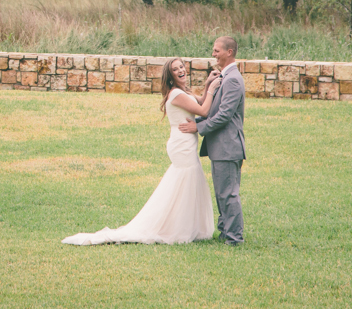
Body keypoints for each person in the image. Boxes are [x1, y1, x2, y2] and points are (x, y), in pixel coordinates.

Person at [62, 58, 220, 245]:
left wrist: (208, 83)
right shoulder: (176, 93)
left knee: (188, 183)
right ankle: (176, 228)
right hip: (182, 145)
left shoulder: (182, 92)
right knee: (184, 183)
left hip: (185, 143)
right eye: (176, 69)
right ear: (170, 76)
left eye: (182, 67)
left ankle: (188, 226)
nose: (181, 70)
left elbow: (199, 102)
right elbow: (203, 110)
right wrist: (212, 90)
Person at [179, 36, 245, 245]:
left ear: (229, 52)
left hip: (228, 146)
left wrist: (197, 127)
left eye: (217, 51)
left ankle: (234, 238)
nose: (213, 54)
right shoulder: (223, 77)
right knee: (222, 193)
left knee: (228, 194)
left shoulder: (233, 79)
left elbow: (224, 115)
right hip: (221, 147)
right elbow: (211, 109)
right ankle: (225, 232)